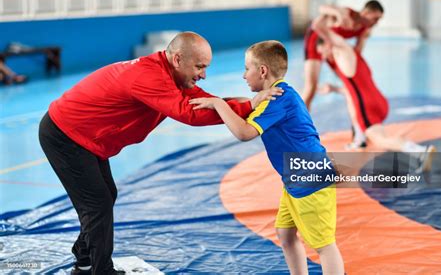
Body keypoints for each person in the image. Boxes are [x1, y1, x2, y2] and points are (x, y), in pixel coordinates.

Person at [38, 32, 282, 275]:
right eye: (199, 66)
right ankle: (100, 271)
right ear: (177, 59)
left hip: (87, 137)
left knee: (105, 197)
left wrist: (249, 104)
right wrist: (249, 106)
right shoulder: (150, 77)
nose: (203, 74)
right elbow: (190, 114)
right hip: (66, 135)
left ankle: (84, 261)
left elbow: (204, 100)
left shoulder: (171, 76)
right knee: (97, 203)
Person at [190, 41, 345, 275]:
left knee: (324, 245)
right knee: (285, 233)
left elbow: (243, 133)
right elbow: (247, 104)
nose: (243, 75)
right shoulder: (278, 93)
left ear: (262, 71)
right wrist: (216, 101)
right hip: (296, 178)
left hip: (310, 179)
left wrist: (218, 104)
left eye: (246, 69)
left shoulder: (276, 99)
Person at [312, 15, 436, 171]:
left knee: (381, 140)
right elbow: (352, 89)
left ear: (329, 43)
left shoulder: (341, 51)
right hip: (379, 100)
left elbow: (319, 26)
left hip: (366, 105)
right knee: (376, 131)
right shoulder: (354, 53)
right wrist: (334, 89)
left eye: (321, 51)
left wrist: (330, 13)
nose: (321, 57)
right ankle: (360, 138)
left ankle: (420, 151)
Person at [302, 0, 384, 147]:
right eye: (375, 18)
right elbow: (321, 8)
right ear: (366, 13)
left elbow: (357, 53)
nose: (376, 23)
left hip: (333, 49)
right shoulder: (347, 13)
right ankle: (300, 131)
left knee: (351, 89)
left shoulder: (364, 29)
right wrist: (337, 11)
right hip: (316, 43)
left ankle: (358, 134)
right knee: (311, 88)